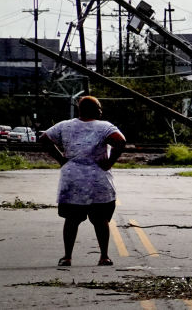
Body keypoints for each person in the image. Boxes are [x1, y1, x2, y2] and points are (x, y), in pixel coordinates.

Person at [39, 95, 127, 267]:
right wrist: (109, 162)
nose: (101, 111)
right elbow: (120, 141)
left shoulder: (65, 125)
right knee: (101, 220)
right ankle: (104, 256)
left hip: (72, 180)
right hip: (98, 181)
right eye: (99, 108)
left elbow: (44, 138)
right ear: (95, 110)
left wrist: (60, 159)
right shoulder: (104, 127)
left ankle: (67, 257)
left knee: (71, 220)